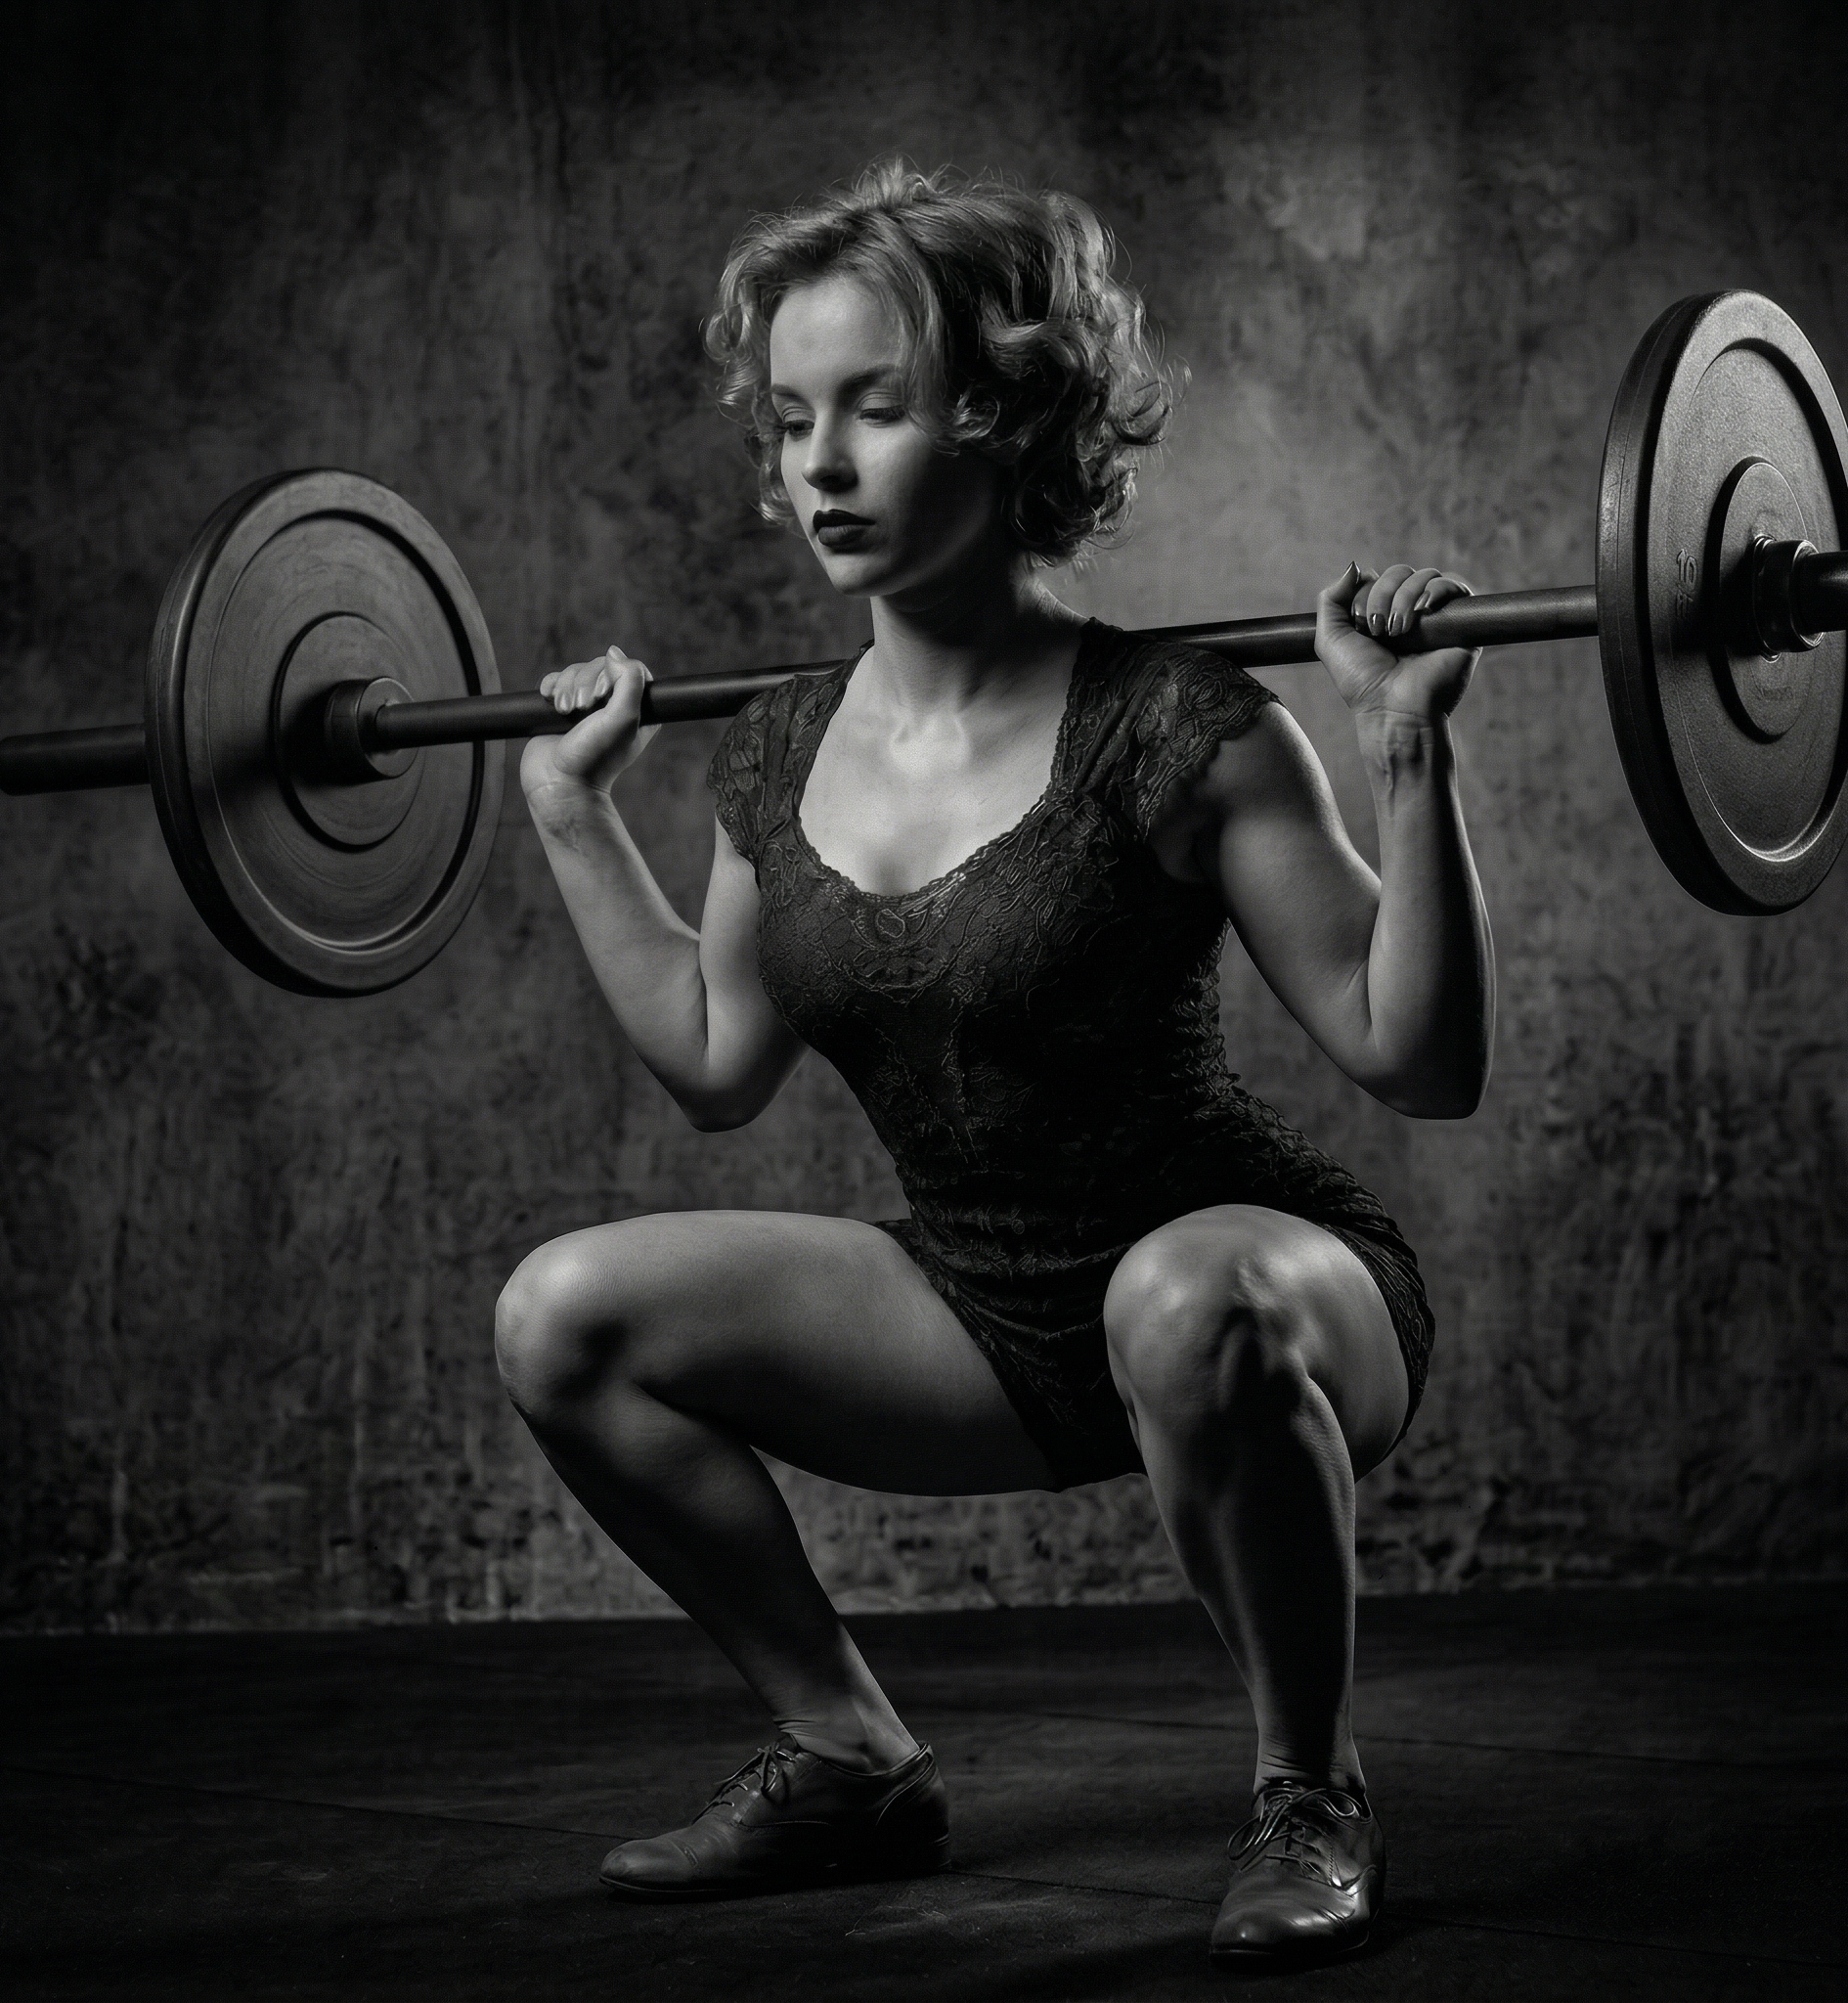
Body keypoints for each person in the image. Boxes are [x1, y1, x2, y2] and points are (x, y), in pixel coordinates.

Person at [496, 160, 1490, 1973]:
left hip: (1253, 1284)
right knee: (564, 1313)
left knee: (1186, 1294)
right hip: (975, 1300)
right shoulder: (776, 746)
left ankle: (1310, 1792)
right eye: (792, 419)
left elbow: (1415, 1060)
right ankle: (845, 1754)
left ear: (1005, 410)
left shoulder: (1186, 725)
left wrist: (1410, 757)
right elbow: (719, 1064)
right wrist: (570, 820)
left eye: (872, 407)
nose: (818, 464)